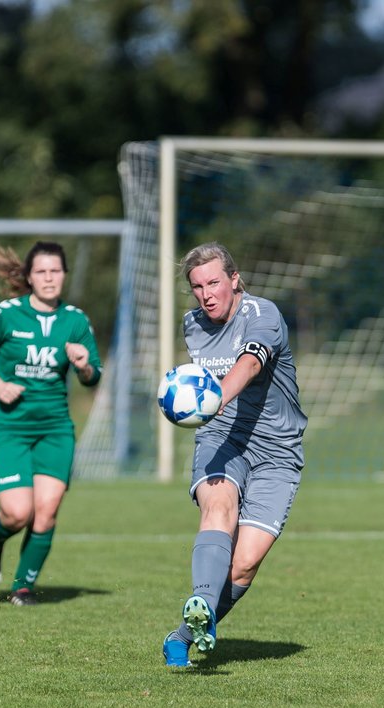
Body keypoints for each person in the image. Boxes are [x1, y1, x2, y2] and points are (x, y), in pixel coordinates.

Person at [162, 242, 308, 667]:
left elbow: (251, 361)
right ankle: (202, 602)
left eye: (213, 283)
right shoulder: (192, 325)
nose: (206, 294)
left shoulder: (263, 315)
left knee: (243, 565)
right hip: (222, 438)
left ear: (234, 279)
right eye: (197, 287)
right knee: (219, 508)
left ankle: (183, 634)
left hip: (278, 450)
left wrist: (218, 396)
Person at [0, 241, 102, 606]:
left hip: (55, 430)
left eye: (55, 271)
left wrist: (84, 364)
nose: (49, 278)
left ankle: (23, 586)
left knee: (47, 509)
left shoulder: (75, 321)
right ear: (29, 277)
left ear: (64, 275)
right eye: (41, 271)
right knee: (17, 511)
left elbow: (94, 377)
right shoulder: (7, 314)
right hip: (8, 427)